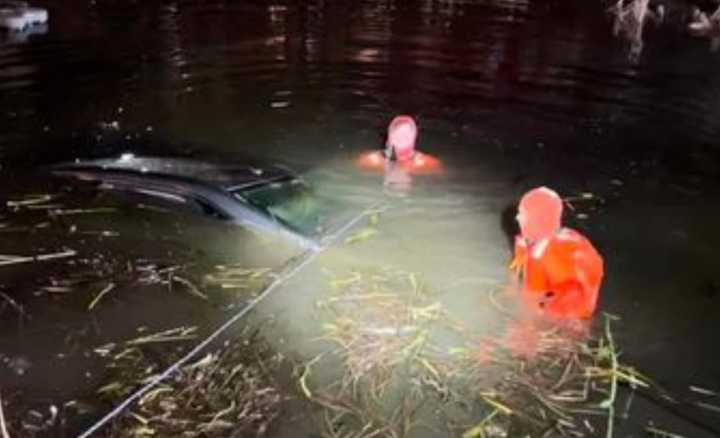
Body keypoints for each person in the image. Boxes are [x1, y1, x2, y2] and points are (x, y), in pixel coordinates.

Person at [509, 187, 604, 320]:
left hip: (560, 325)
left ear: (536, 219)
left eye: (522, 213)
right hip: (584, 315)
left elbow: (530, 306)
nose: (518, 218)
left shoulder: (538, 255)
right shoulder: (578, 240)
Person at [356, 115, 444, 182]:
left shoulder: (426, 164)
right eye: (398, 137)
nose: (401, 141)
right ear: (389, 138)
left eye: (405, 137)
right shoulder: (371, 161)